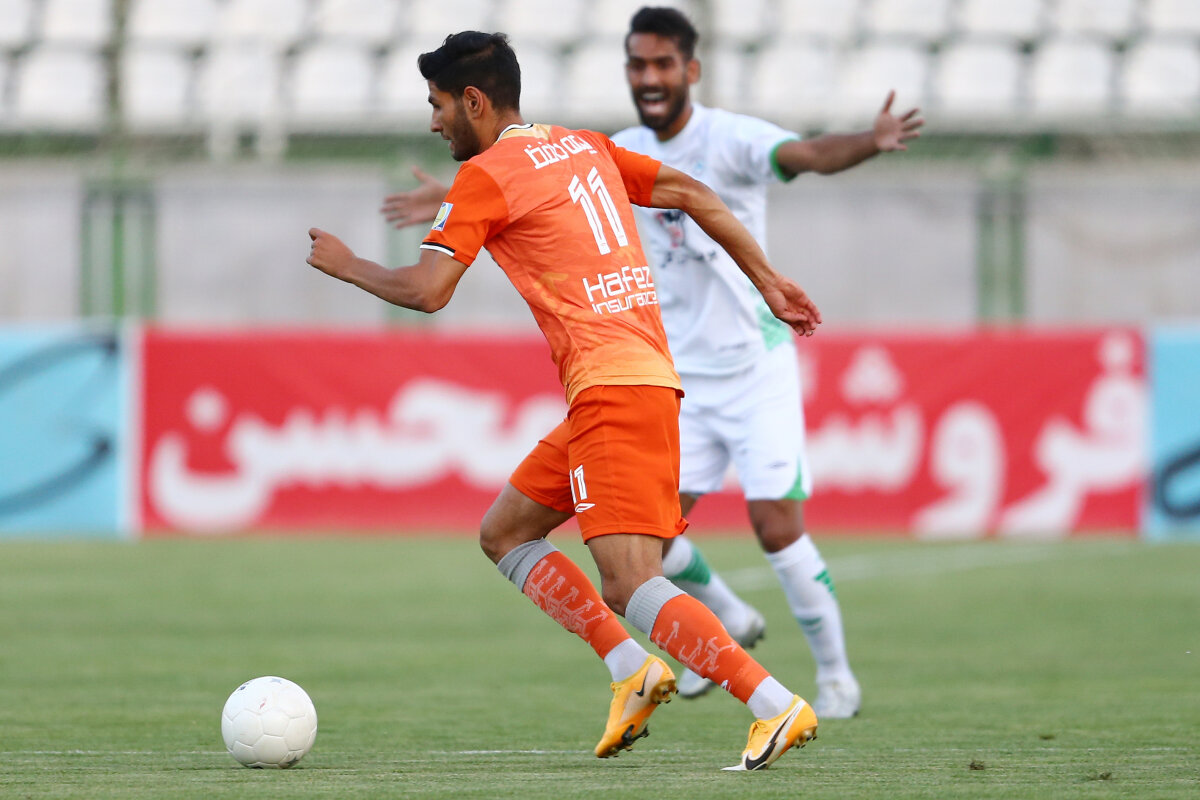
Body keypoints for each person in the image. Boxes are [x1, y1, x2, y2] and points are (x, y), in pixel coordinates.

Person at [307, 31, 824, 771]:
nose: (434, 121)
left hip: (615, 392)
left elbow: (427, 291)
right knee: (506, 533)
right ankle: (630, 668)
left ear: (474, 101)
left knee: (630, 580)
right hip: (630, 384)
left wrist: (348, 265)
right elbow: (691, 193)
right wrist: (768, 282)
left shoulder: (486, 175)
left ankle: (771, 703)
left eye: (438, 104)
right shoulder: (581, 146)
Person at [606, 6, 925, 716]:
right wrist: (454, 199)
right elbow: (549, 190)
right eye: (638, 64)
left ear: (690, 70)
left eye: (662, 64)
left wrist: (869, 142)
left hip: (755, 370)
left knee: (777, 528)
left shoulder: (731, 138)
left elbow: (806, 156)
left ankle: (837, 677)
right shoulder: (621, 150)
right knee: (649, 538)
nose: (649, 77)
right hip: (679, 380)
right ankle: (730, 617)